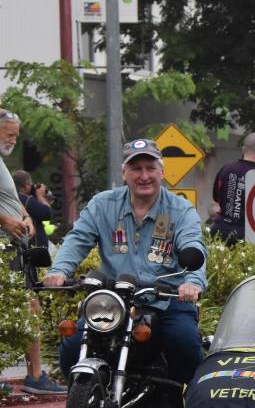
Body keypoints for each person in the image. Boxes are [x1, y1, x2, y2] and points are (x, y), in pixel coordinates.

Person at [44, 139, 208, 387]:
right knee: (73, 346)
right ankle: (78, 407)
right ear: (124, 173)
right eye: (136, 168)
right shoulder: (103, 205)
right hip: (114, 301)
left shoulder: (181, 210)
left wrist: (192, 283)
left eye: (150, 168)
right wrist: (58, 271)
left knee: (185, 342)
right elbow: (78, 239)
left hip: (166, 299)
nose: (144, 176)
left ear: (162, 172)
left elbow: (192, 244)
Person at [1, 108, 64, 395]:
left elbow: (12, 198)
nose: (14, 139)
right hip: (4, 246)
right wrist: (5, 220)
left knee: (29, 305)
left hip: (16, 245)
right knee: (26, 306)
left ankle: (35, 374)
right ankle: (35, 375)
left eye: (16, 134)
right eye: (9, 133)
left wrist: (24, 215)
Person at [209, 132, 255, 243]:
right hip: (247, 236)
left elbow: (216, 199)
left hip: (219, 233)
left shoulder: (225, 169)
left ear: (243, 149)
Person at [12, 170, 53, 248]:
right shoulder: (24, 199)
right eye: (30, 183)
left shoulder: (14, 198)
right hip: (34, 247)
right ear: (26, 184)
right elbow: (47, 213)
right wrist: (40, 196)